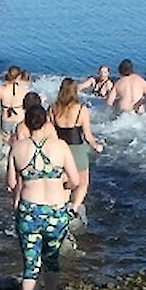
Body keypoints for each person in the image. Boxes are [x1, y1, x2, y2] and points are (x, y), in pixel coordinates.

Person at [6, 100, 83, 290]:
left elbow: (11, 183)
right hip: (56, 211)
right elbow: (76, 180)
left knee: (30, 263)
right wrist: (64, 185)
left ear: (26, 124)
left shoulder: (17, 148)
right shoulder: (60, 146)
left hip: (29, 211)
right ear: (47, 122)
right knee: (52, 259)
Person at [51, 79, 106, 209]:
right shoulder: (82, 110)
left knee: (65, 180)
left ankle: (61, 206)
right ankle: (74, 208)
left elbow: (50, 132)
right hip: (77, 150)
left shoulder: (53, 108)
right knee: (82, 182)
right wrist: (96, 146)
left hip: (59, 149)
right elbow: (87, 136)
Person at [0, 66, 32, 138]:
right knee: (18, 141)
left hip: (6, 119)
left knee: (5, 140)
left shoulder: (0, 89)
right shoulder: (24, 90)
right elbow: (31, 103)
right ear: (19, 77)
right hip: (19, 119)